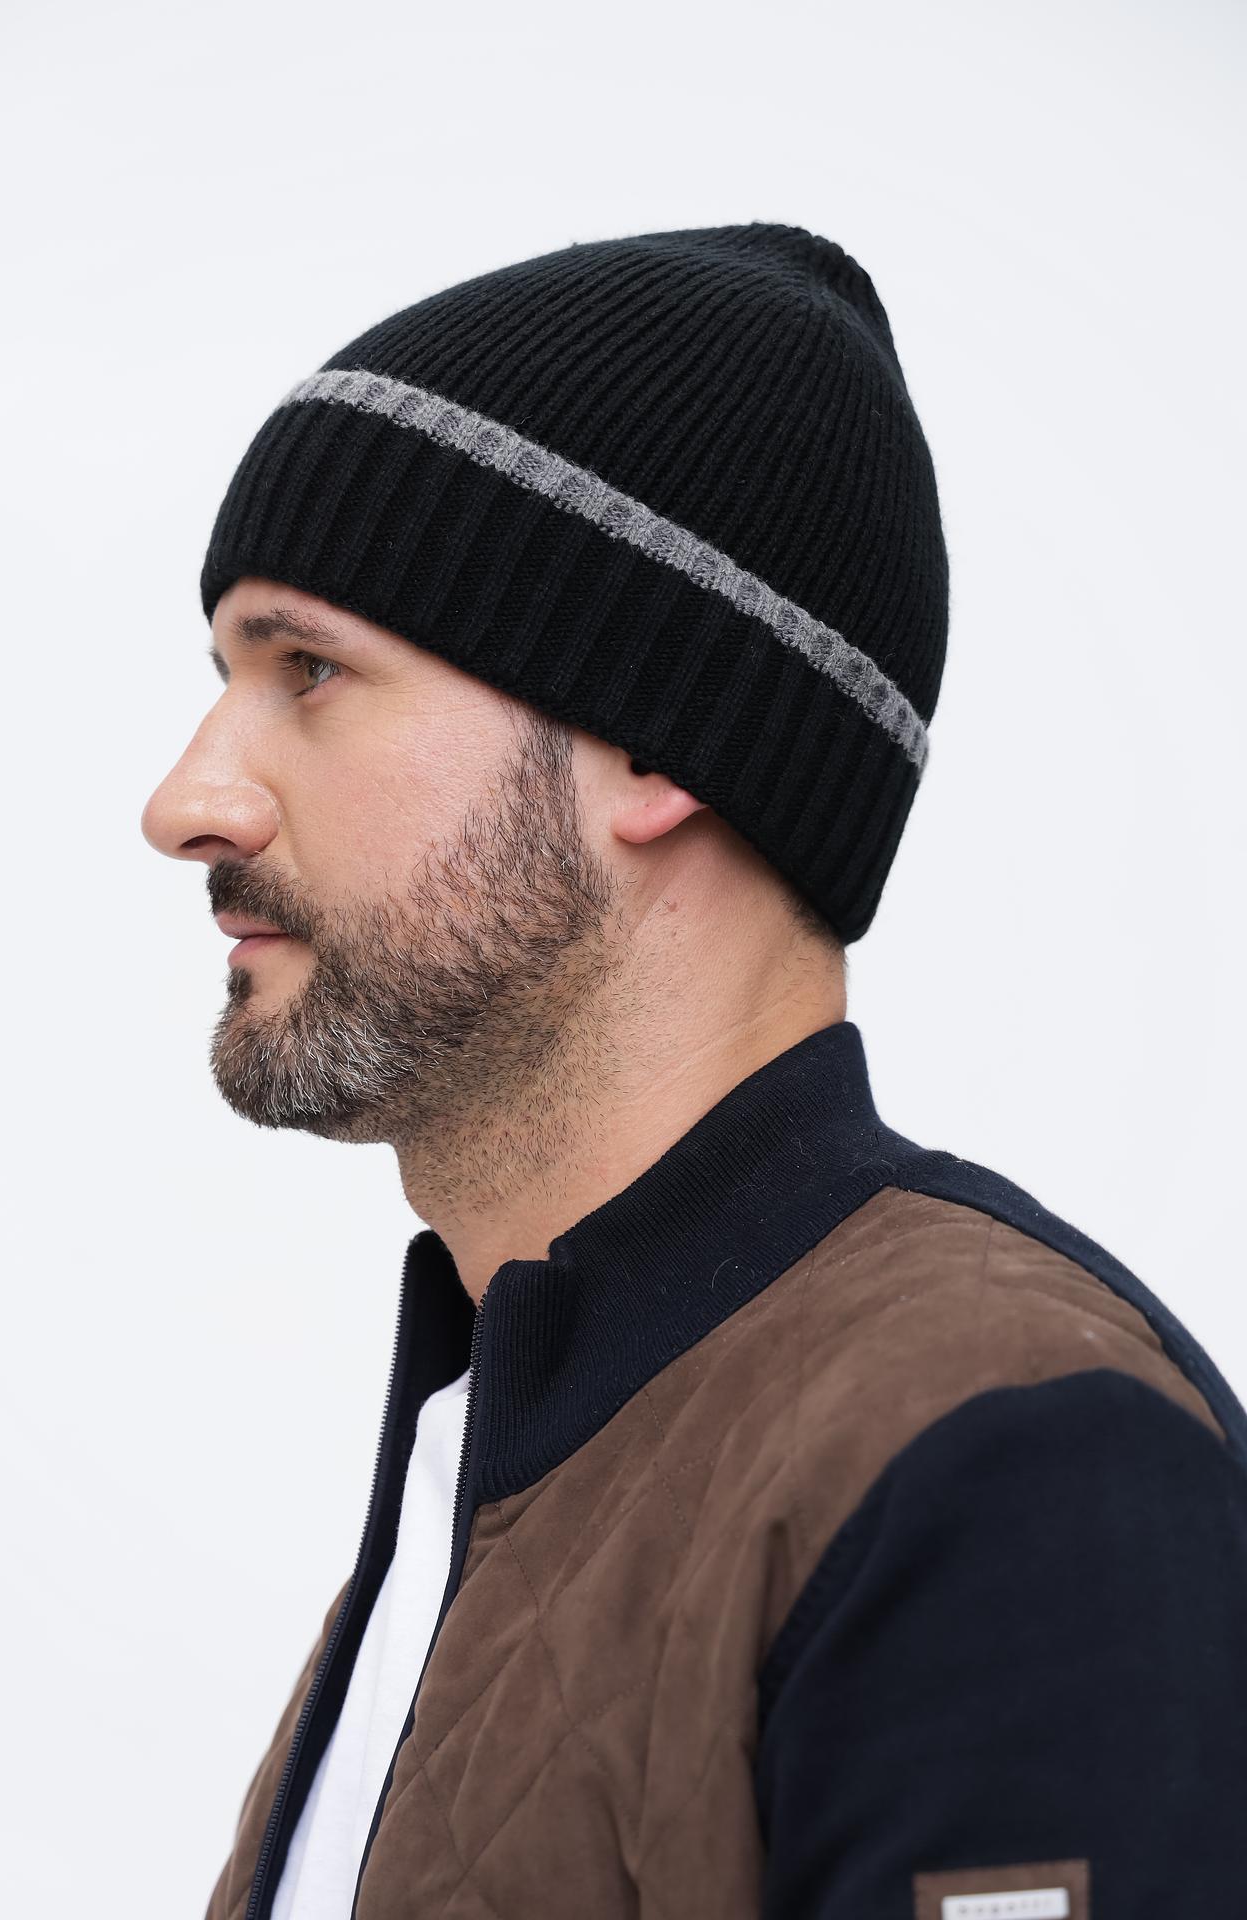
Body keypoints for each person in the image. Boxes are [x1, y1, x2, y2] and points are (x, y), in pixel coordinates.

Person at [141, 223, 1247, 1920]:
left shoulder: (1006, 1464)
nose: (186, 805)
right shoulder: (495, 1455)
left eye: (311, 673)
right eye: (226, 678)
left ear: (655, 739)